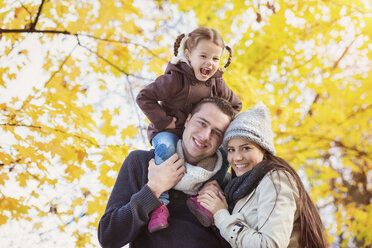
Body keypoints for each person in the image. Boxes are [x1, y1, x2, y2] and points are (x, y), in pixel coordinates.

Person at [136, 26, 242, 232]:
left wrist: (221, 123)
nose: (209, 63)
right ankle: (161, 205)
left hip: (197, 137)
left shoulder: (216, 83)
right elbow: (144, 97)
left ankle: (202, 196)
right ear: (188, 55)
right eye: (203, 56)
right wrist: (165, 121)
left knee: (221, 153)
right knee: (166, 148)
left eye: (215, 59)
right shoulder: (175, 79)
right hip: (168, 131)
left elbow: (236, 106)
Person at [98, 97, 236, 248]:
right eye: (202, 123)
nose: (205, 136)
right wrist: (153, 189)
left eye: (216, 133)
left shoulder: (226, 185)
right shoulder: (142, 162)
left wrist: (220, 216)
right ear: (187, 120)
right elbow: (108, 237)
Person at [197, 103, 328, 248]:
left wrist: (221, 215)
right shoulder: (241, 187)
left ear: (263, 150)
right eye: (231, 149)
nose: (237, 157)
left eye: (245, 148)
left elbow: (269, 245)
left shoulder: (275, 180)